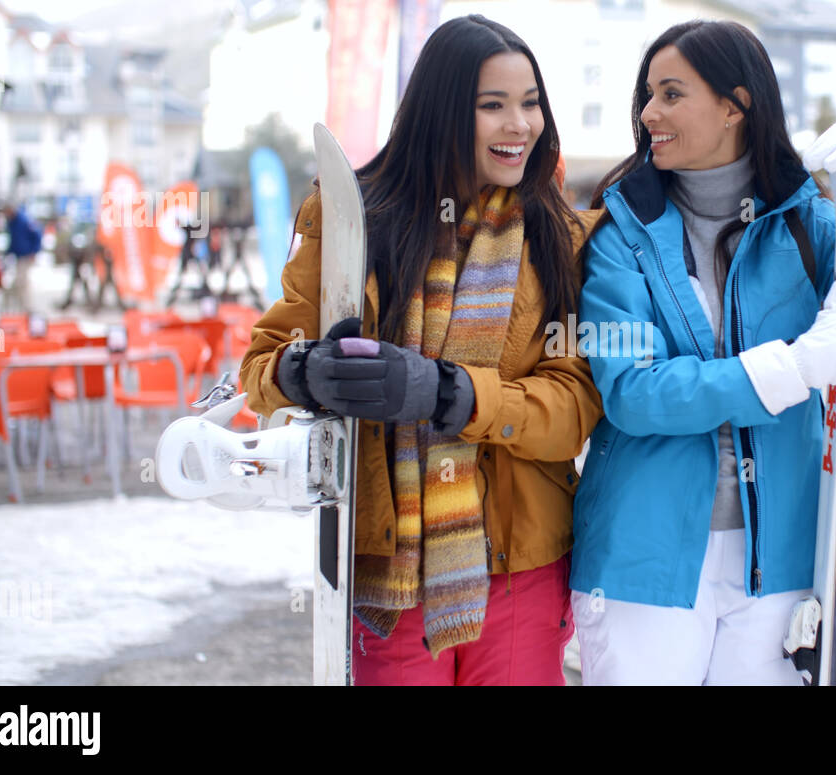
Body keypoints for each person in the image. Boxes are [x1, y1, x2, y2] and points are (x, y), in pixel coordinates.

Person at [570, 20, 836, 685]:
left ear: (734, 105)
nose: (647, 113)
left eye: (670, 93)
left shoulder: (810, 225)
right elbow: (635, 394)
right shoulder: (620, 235)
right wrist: (796, 367)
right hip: (645, 561)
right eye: (648, 94)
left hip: (780, 557)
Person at [240, 15, 604, 685]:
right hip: (391, 568)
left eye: (530, 103)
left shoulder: (558, 234)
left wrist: (451, 394)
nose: (519, 124)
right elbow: (262, 363)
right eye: (492, 105)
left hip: (520, 565)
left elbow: (576, 401)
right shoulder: (354, 217)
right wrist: (307, 371)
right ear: (441, 110)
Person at [1, 202, 43, 315]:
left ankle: (26, 308)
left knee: (22, 282)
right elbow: (13, 240)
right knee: (17, 283)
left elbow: (37, 235)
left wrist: (35, 251)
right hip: (18, 256)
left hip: (26, 255)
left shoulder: (24, 220)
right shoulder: (11, 222)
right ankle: (19, 308)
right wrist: (8, 252)